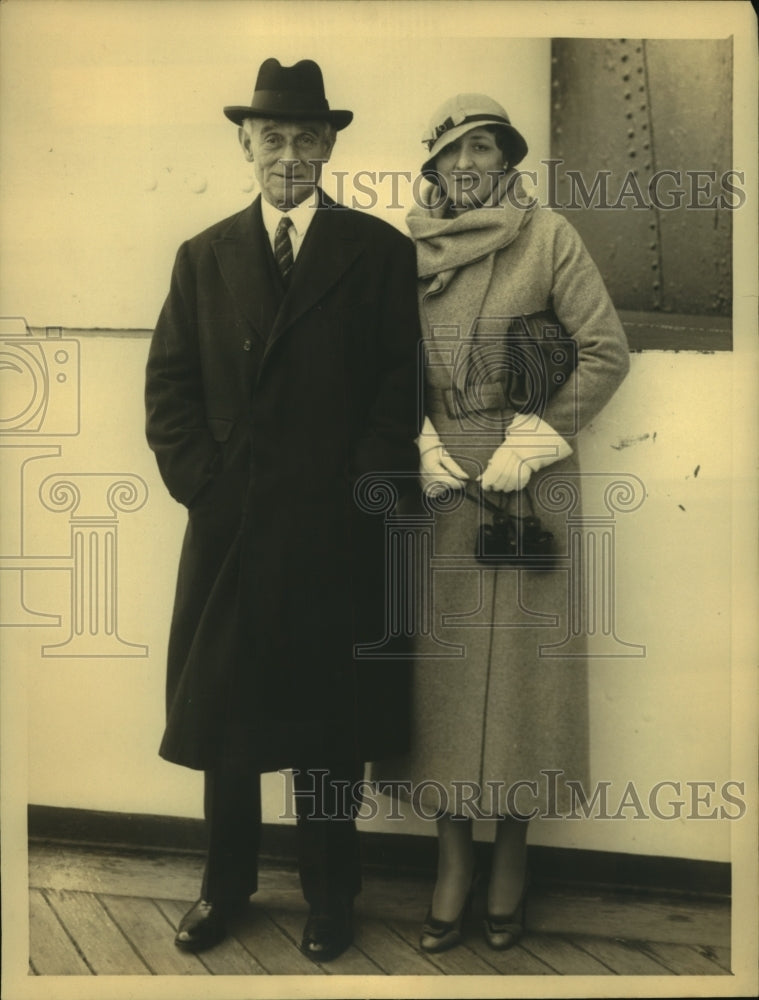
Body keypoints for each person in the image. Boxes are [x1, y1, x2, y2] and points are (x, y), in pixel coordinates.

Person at [144, 58, 421, 961]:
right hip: (234, 535)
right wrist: (209, 486)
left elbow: (398, 389)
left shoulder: (377, 252)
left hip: (334, 536)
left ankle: (330, 896)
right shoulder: (204, 255)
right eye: (272, 138)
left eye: (306, 137)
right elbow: (169, 393)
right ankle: (222, 890)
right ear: (244, 144)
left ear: (330, 143)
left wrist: (359, 491)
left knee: (327, 731)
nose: (289, 155)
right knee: (227, 725)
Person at [380, 94, 630, 952]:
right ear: (434, 167)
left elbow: (604, 348)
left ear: (506, 160)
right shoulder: (402, 248)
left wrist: (537, 438)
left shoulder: (547, 235)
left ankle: (512, 859)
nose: (467, 164)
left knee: (525, 684)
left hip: (527, 476)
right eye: (453, 152)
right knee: (438, 680)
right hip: (442, 478)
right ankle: (451, 862)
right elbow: (380, 358)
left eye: (483, 148)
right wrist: (410, 435)